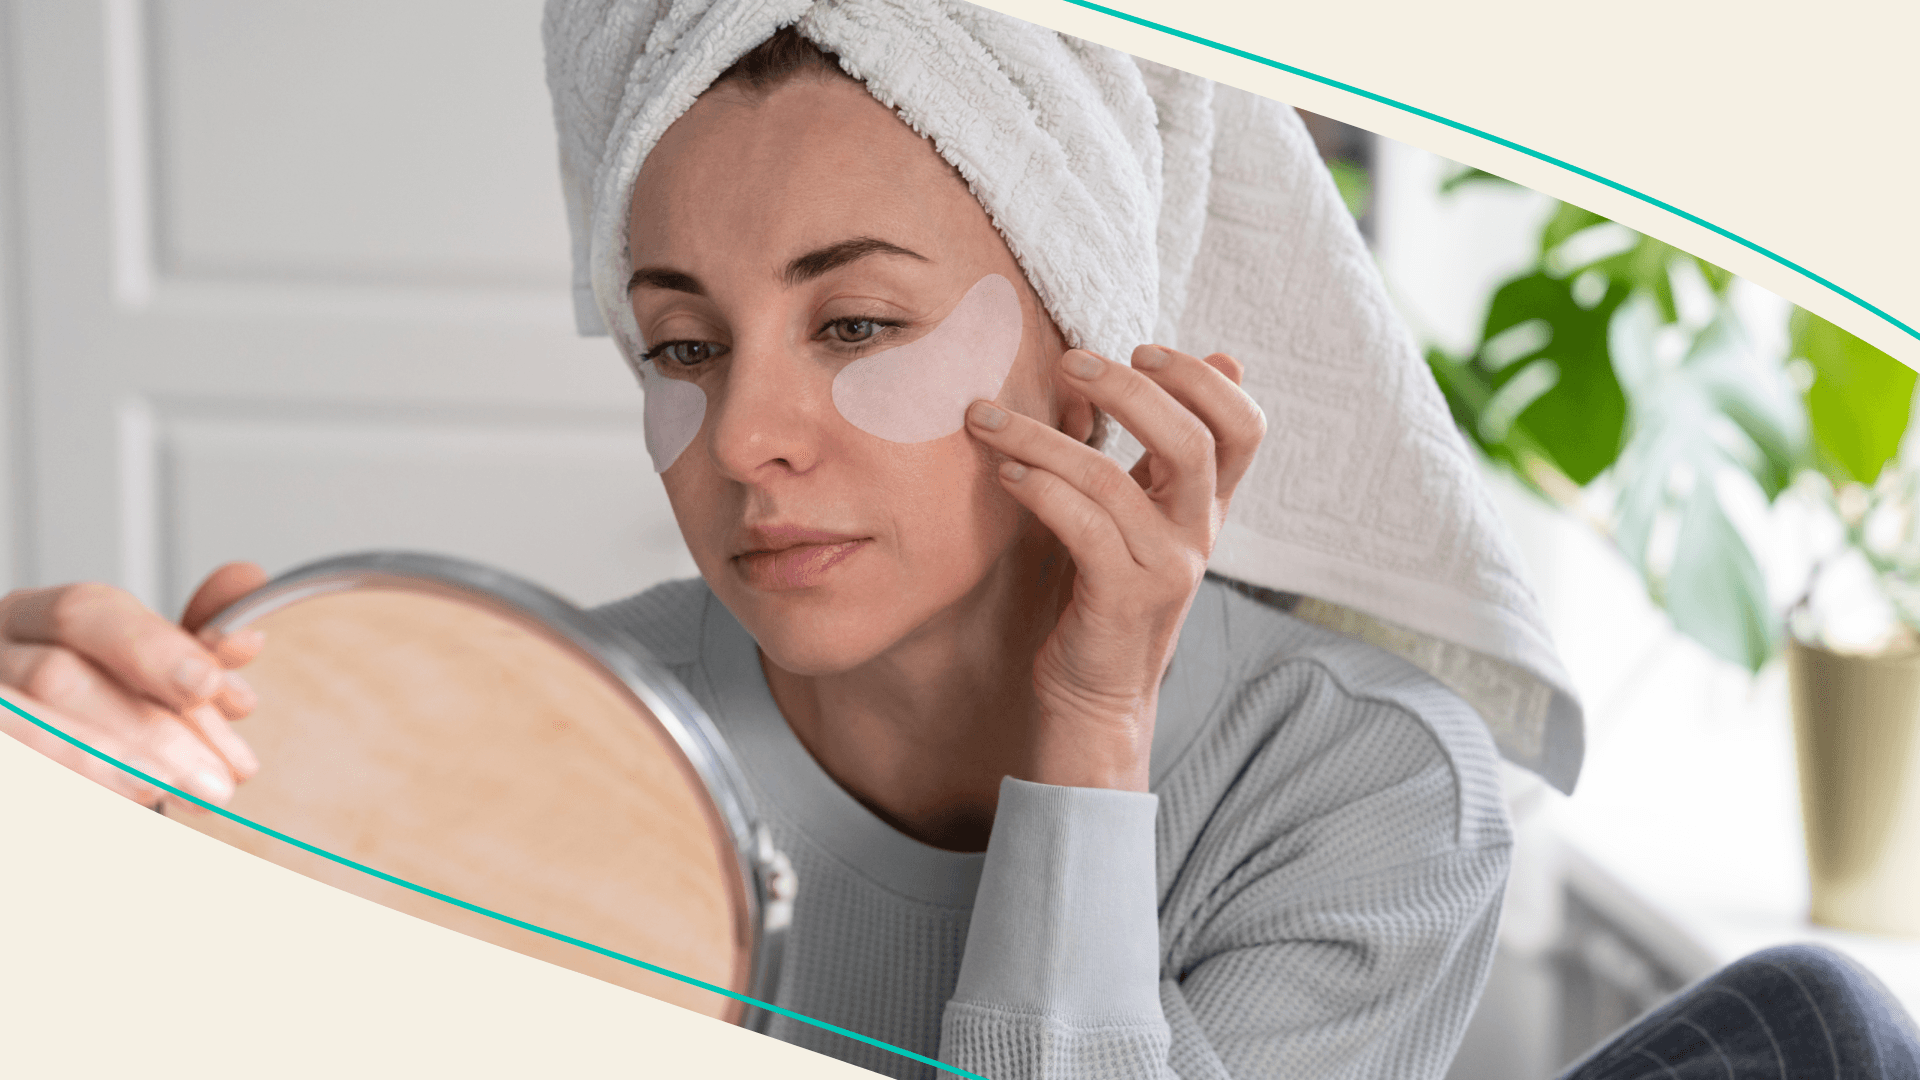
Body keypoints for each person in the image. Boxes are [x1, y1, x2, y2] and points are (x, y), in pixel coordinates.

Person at [1, 4, 1914, 1080]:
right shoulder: (551, 741)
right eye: (679, 344)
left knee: (1823, 1028)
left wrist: (1087, 739)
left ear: (1096, 349)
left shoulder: (1363, 788)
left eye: (857, 324)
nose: (742, 430)